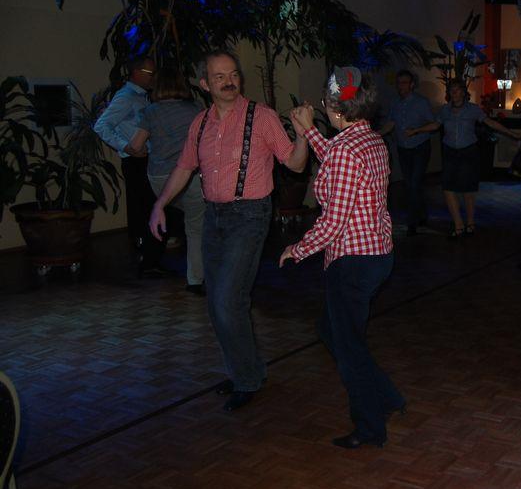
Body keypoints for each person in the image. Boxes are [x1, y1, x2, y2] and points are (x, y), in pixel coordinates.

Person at [148, 49, 309, 412]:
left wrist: (302, 136)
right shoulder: (200, 123)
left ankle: (247, 379)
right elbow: (184, 167)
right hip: (214, 217)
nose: (229, 82)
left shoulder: (261, 117)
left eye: (233, 74)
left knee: (226, 300)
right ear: (205, 84)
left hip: (250, 216)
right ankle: (244, 371)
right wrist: (160, 204)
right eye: (219, 77)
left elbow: (296, 165)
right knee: (218, 302)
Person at [279, 67, 403, 449]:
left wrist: (298, 249)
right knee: (333, 330)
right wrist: (308, 132)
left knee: (349, 349)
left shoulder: (346, 150)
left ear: (332, 107)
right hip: (376, 255)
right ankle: (388, 397)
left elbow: (333, 222)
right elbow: (336, 159)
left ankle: (370, 427)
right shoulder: (370, 139)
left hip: (353, 262)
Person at [127, 69, 204, 294]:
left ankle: (153, 256)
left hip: (159, 178)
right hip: (189, 177)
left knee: (167, 212)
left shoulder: (151, 112)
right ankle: (195, 280)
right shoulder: (196, 109)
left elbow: (136, 145)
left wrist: (145, 149)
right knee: (196, 225)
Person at [94, 55, 167, 276]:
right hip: (136, 162)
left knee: (150, 207)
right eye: (150, 73)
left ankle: (151, 259)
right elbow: (102, 125)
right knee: (145, 208)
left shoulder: (143, 97)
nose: (154, 78)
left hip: (148, 160)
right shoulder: (125, 97)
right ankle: (148, 261)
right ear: (136, 73)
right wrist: (126, 147)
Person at [420, 82, 520, 238]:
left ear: (463, 92)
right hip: (450, 151)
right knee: (447, 187)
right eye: (451, 90)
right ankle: (459, 225)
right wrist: (416, 130)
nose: (454, 93)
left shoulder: (473, 109)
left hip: (468, 152)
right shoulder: (445, 110)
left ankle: (470, 222)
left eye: (457, 90)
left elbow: (490, 122)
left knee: (468, 189)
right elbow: (435, 125)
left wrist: (511, 133)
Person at [379, 70, 434, 236]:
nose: (401, 86)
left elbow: (433, 123)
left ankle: (412, 221)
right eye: (399, 83)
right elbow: (391, 123)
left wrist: (416, 130)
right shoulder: (395, 103)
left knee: (414, 183)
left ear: (411, 85)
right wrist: (376, 134)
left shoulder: (421, 102)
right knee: (410, 184)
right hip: (403, 148)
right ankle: (421, 214)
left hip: (420, 147)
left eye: (404, 83)